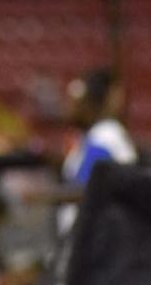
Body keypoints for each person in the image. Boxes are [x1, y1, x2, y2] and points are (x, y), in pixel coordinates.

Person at [58, 68, 137, 233]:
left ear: (90, 104)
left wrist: (44, 196)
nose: (69, 108)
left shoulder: (104, 136)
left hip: (95, 240)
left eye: (76, 103)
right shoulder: (96, 136)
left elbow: (89, 188)